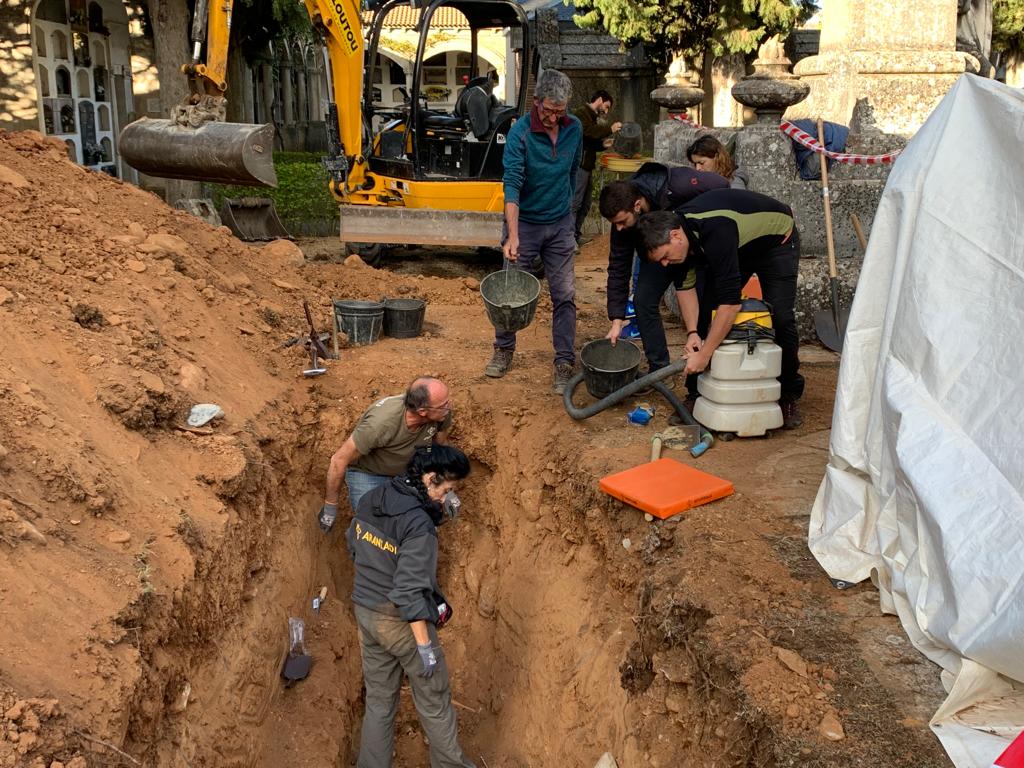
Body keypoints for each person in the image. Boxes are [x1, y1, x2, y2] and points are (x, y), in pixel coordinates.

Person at [346, 445, 475, 768]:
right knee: (434, 702)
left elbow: (355, 546)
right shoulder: (419, 527)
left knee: (379, 700)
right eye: (447, 490)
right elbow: (409, 592)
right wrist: (424, 648)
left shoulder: (372, 499)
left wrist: (437, 516)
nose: (449, 498)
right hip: (401, 621)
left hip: (366, 611)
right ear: (430, 478)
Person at [637, 190, 804, 428]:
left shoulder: (715, 229)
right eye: (660, 261)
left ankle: (788, 395)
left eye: (664, 257)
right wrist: (693, 333)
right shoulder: (680, 243)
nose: (664, 264)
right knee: (708, 311)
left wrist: (704, 355)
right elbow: (686, 289)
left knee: (781, 317)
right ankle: (695, 395)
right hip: (740, 245)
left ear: (675, 236)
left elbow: (730, 305)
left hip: (777, 242)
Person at [484, 69, 582, 394]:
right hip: (524, 223)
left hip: (559, 224)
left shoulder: (575, 129)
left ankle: (564, 361)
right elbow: (512, 185)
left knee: (564, 294)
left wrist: (568, 217)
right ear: (536, 101)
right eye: (548, 110)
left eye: (560, 110)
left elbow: (573, 172)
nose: (553, 117)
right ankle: (503, 349)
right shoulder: (520, 134)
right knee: (509, 290)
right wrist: (513, 235)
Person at [597, 163, 729, 374]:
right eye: (615, 223)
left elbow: (722, 185)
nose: (619, 228)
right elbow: (618, 267)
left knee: (705, 306)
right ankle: (659, 371)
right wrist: (617, 319)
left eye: (622, 221)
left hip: (698, 247)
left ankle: (704, 369)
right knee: (643, 300)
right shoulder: (621, 221)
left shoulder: (678, 187)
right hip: (661, 255)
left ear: (637, 205)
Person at [319, 377, 452, 531]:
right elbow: (339, 460)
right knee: (373, 530)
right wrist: (330, 506)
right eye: (444, 405)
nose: (449, 407)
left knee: (421, 524)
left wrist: (444, 487)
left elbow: (439, 447)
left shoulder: (441, 413)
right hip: (369, 474)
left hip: (408, 473)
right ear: (422, 411)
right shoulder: (381, 423)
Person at [571, 90, 621, 245]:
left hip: (587, 165)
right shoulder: (580, 114)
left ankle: (575, 235)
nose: (606, 111)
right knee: (575, 203)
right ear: (599, 100)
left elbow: (589, 141)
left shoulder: (591, 117)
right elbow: (587, 132)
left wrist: (602, 145)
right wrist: (609, 130)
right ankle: (568, 239)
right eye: (606, 106)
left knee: (585, 204)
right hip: (579, 166)